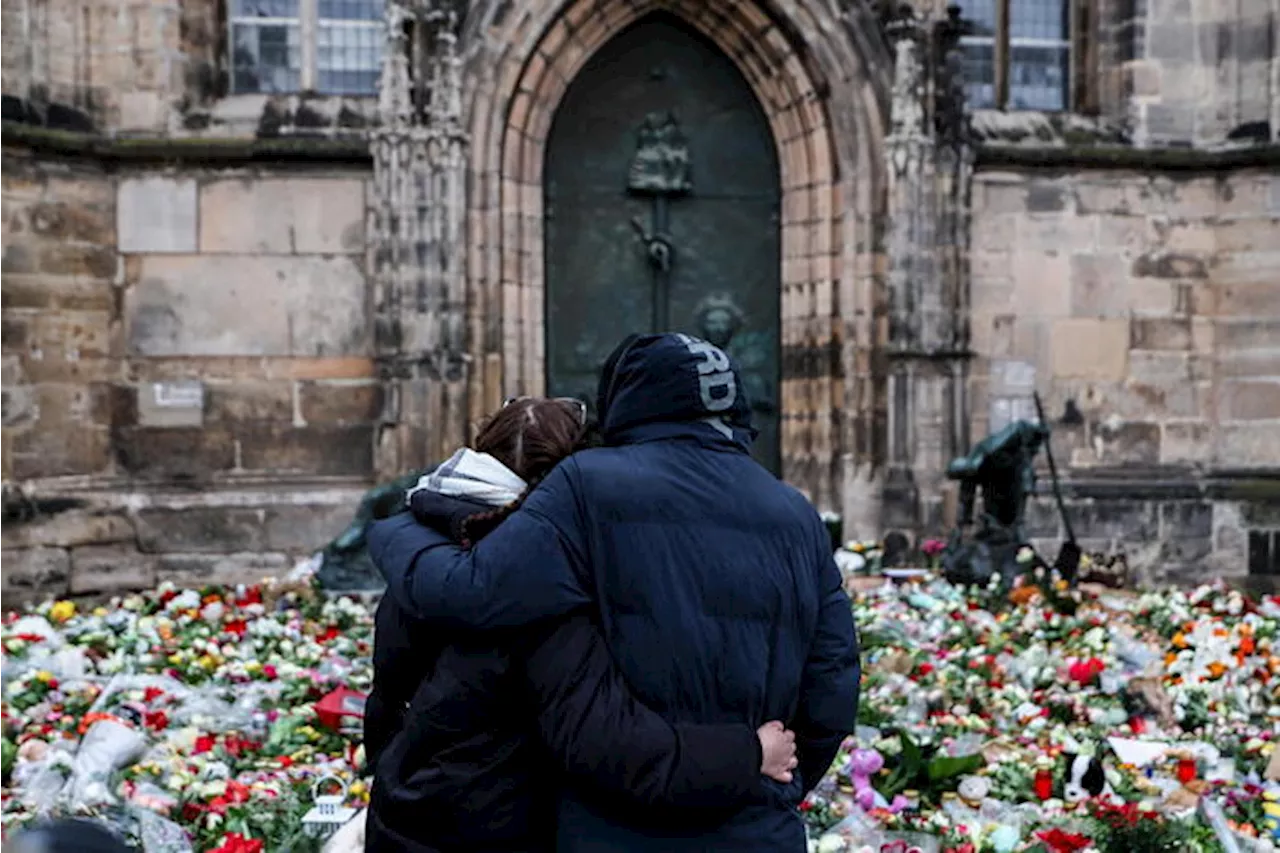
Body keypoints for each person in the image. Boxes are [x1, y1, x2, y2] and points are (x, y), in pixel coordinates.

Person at [368, 333, 860, 851]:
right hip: (758, 824)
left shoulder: (587, 484)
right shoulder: (796, 512)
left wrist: (400, 527)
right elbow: (833, 678)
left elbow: (474, 591)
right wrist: (775, 781)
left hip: (611, 824)